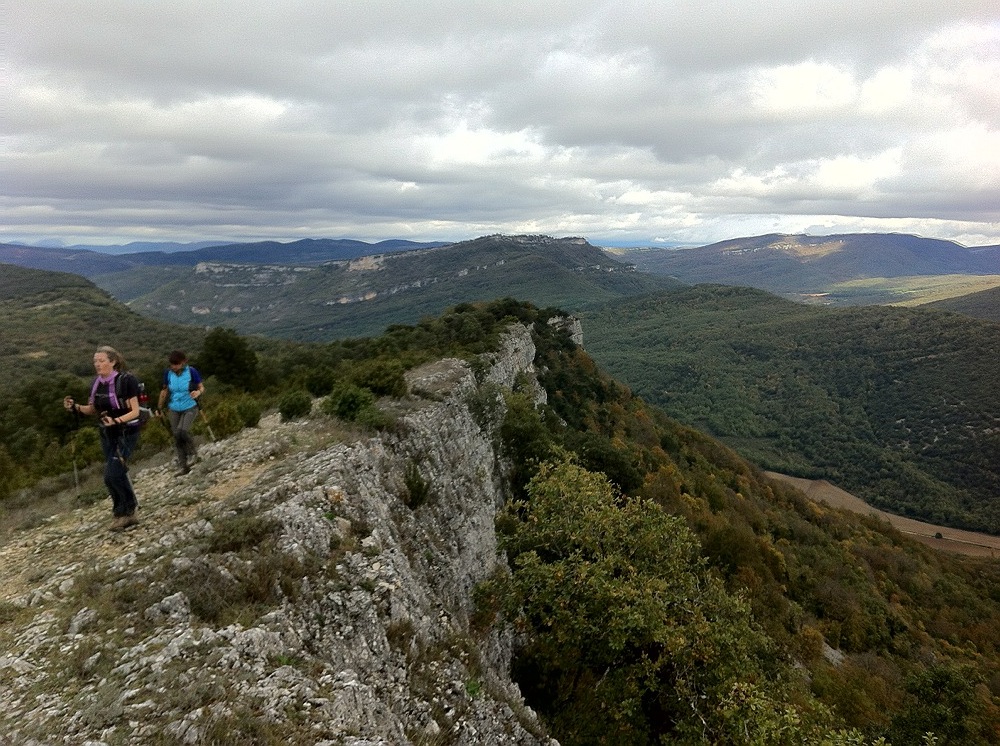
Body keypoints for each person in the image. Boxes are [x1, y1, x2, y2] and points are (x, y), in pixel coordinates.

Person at [63, 346, 141, 531]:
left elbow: (135, 410)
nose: (97, 365)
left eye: (101, 361)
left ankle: (124, 512)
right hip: (107, 434)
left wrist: (116, 420)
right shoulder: (96, 384)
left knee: (111, 475)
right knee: (117, 473)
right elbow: (92, 409)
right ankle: (126, 512)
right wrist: (75, 407)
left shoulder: (127, 381)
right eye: (95, 361)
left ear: (113, 361)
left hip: (126, 432)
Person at [158, 350, 204, 476]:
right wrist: (159, 407)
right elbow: (165, 390)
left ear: (183, 362)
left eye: (176, 364)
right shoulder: (168, 374)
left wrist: (197, 393)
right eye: (172, 364)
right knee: (177, 436)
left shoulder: (191, 371)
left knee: (182, 431)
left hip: (190, 405)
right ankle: (183, 466)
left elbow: (201, 387)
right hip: (174, 407)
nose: (174, 367)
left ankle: (192, 454)